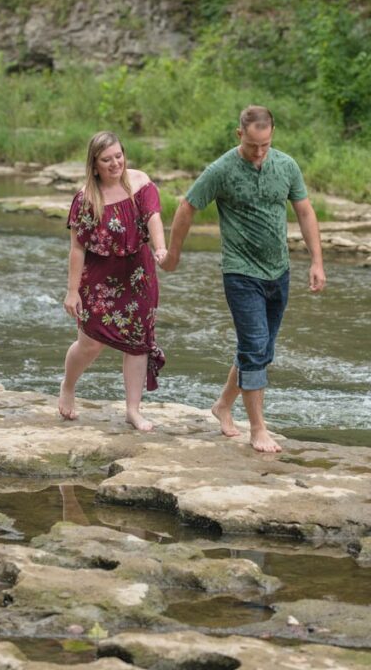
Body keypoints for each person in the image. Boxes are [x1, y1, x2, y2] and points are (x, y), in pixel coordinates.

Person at [160, 105, 326, 453]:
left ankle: (222, 405)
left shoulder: (286, 166)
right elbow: (187, 207)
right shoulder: (221, 170)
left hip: (278, 272)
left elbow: (305, 211)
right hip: (240, 272)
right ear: (240, 135)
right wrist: (173, 256)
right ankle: (258, 428)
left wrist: (317, 261)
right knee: (254, 347)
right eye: (253, 145)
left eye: (265, 144)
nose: (259, 151)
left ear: (272, 134)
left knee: (262, 350)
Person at [59, 131, 167, 431]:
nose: (115, 163)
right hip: (99, 280)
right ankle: (68, 385)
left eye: (118, 156)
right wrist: (71, 291)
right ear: (94, 165)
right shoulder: (86, 198)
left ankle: (133, 410)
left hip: (138, 276)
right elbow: (77, 248)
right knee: (90, 343)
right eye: (107, 160)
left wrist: (160, 248)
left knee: (137, 343)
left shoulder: (140, 183)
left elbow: (153, 217)